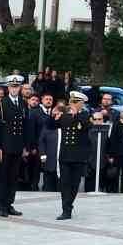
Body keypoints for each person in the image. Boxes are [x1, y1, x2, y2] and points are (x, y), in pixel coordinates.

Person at [0, 75, 29, 216]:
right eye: (12, 87)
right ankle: (2, 206)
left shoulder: (23, 102)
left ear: (19, 88)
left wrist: (25, 146)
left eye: (17, 87)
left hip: (18, 145)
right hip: (6, 146)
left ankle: (9, 204)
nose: (14, 89)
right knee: (4, 177)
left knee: (14, 177)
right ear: (8, 88)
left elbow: (25, 126)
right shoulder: (2, 103)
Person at [54, 91, 90, 219]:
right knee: (64, 183)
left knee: (75, 184)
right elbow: (50, 126)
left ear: (81, 104)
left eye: (76, 102)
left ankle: (69, 204)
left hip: (78, 156)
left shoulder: (85, 115)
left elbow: (86, 126)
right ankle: (66, 209)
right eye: (72, 102)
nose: (73, 104)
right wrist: (53, 116)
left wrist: (76, 115)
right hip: (65, 155)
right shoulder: (64, 115)